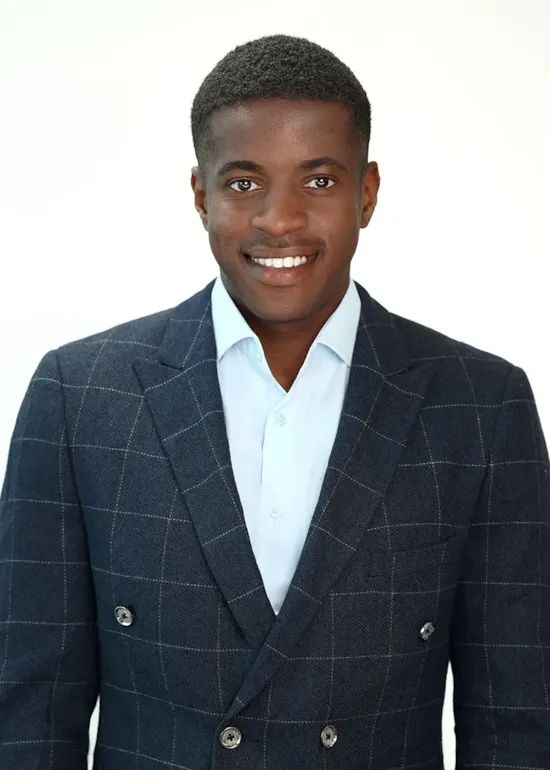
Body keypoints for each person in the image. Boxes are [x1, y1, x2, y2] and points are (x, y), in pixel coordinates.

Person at [0, 32, 548, 770]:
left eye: (318, 181)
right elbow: (28, 715)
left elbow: (517, 726)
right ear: (201, 193)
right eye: (245, 182)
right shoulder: (80, 399)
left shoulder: (481, 409)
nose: (280, 219)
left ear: (368, 190)